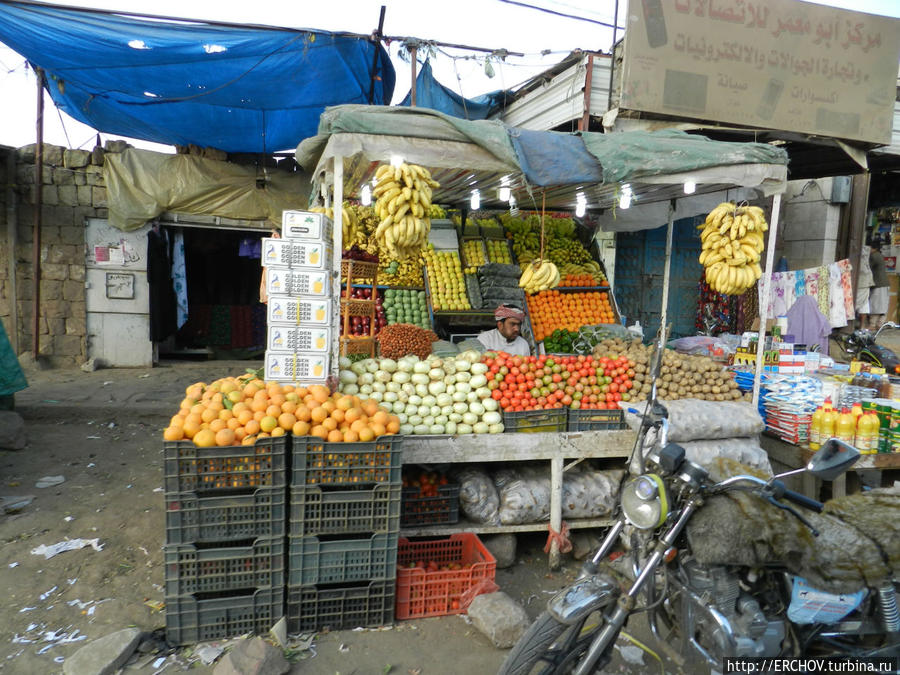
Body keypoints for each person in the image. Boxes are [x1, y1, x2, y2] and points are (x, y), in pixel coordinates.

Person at [867, 236, 889, 330]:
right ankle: (880, 324)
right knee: (883, 305)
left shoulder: (874, 256)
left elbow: (867, 267)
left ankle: (873, 324)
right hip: (884, 283)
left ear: (874, 248)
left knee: (875, 305)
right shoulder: (879, 255)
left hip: (878, 283)